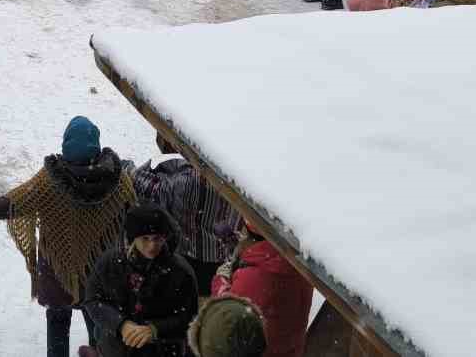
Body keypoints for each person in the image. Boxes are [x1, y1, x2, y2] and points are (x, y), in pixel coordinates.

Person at [0, 117, 138, 357]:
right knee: (99, 331)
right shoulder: (119, 182)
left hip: (56, 274)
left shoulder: (49, 182)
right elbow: (135, 221)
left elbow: (3, 207)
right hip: (97, 275)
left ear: (66, 146)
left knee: (57, 326)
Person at [82, 205, 198, 357]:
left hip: (164, 351)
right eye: (145, 239)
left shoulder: (180, 271)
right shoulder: (110, 263)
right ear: (133, 239)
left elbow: (189, 317)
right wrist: (121, 324)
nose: (152, 245)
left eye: (157, 238)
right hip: (115, 349)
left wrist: (155, 329)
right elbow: (93, 300)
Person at [132, 137, 240, 296]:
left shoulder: (185, 182)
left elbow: (146, 185)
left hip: (188, 260)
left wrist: (132, 168)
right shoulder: (236, 182)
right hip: (221, 262)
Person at [210, 221, 313, 357]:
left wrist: (220, 279)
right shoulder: (297, 264)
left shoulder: (253, 277)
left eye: (244, 233)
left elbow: (225, 316)